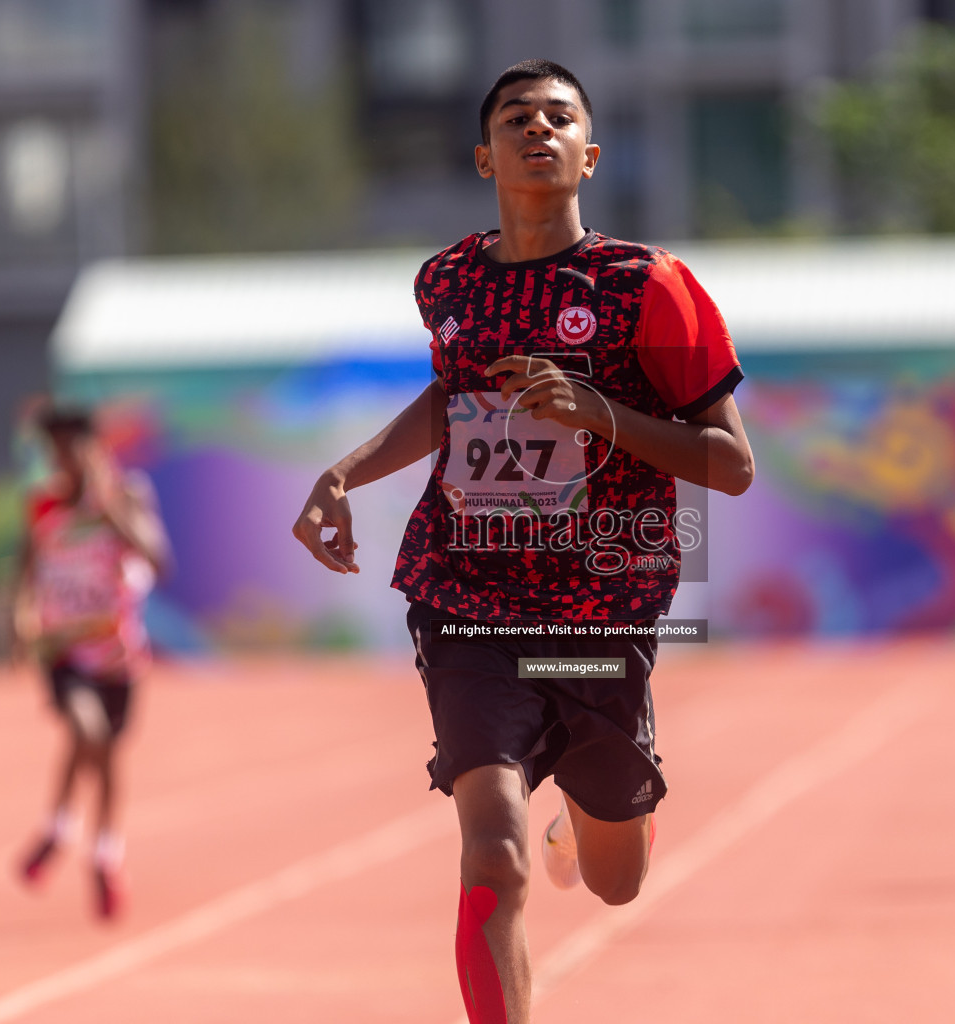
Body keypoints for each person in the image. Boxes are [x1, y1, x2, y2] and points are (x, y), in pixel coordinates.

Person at [292, 60, 753, 1023]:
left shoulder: (649, 287)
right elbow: (449, 404)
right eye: (516, 118)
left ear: (591, 153)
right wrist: (343, 472)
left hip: (600, 609)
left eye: (558, 118)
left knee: (615, 878)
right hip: (467, 600)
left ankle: (585, 826)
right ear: (483, 156)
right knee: (490, 851)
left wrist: (603, 415)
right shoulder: (448, 283)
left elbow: (731, 463)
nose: (536, 130)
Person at [14, 406, 171, 918]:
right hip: (63, 650)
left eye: (69, 447)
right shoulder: (42, 505)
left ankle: (91, 845)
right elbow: (27, 565)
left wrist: (112, 513)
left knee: (102, 750)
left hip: (119, 652)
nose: (61, 458)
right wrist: (21, 616)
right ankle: (88, 848)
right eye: (53, 449)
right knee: (89, 730)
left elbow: (159, 561)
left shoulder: (127, 496)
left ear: (93, 448)